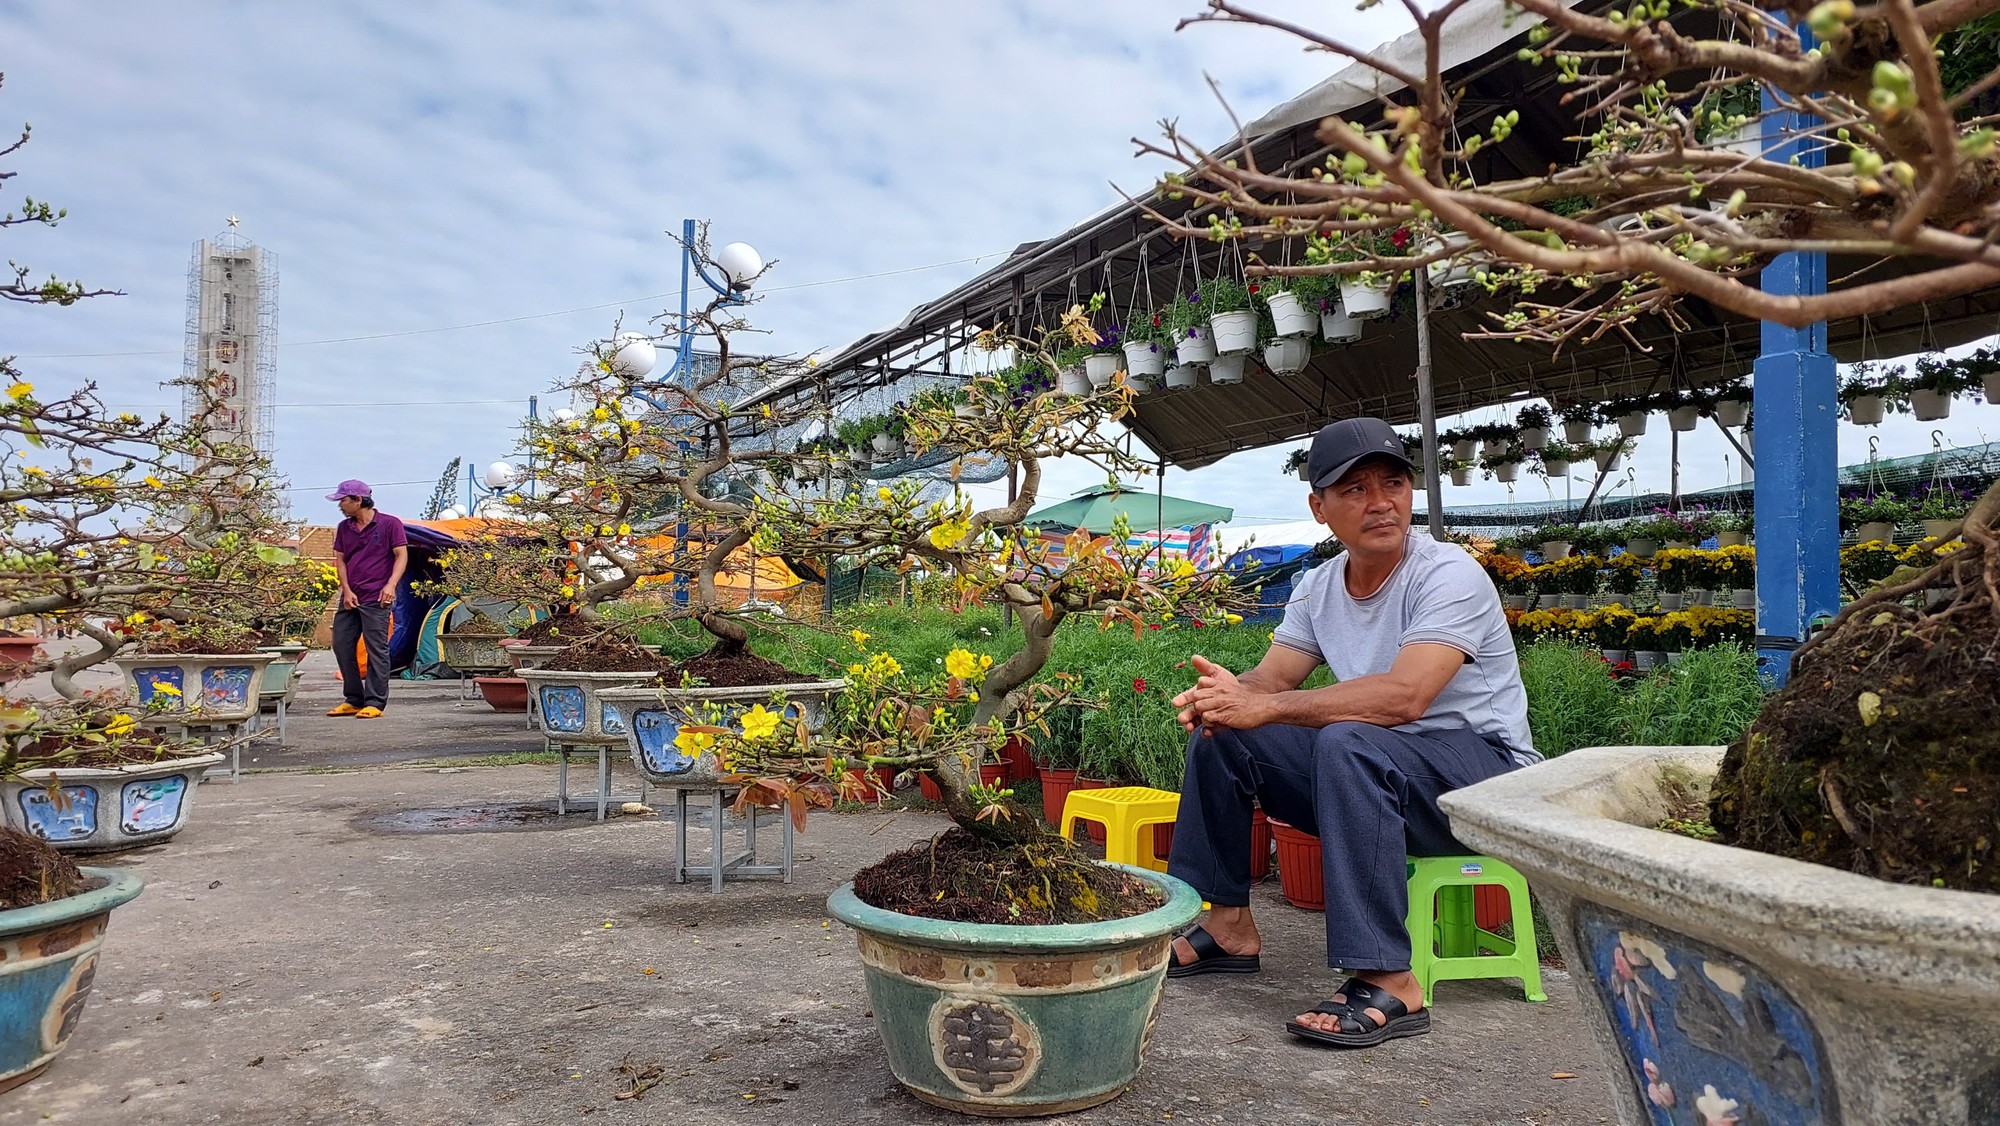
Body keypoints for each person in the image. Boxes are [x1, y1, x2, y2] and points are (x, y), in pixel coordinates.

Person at [1164, 417, 1539, 1049]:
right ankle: (1226, 925)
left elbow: (1405, 697)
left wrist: (1270, 707)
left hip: (1486, 781)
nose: (1380, 502)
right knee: (1225, 734)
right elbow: (1273, 679)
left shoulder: (1447, 573)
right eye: (1355, 489)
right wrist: (1224, 698)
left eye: (1392, 483)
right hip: (1388, 770)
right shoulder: (1318, 586)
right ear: (1320, 508)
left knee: (1348, 738)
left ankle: (1391, 978)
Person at [326, 479, 407, 719]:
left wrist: (391, 585)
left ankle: (374, 702)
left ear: (358, 500)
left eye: (343, 500)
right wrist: (347, 590)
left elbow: (401, 555)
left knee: (376, 649)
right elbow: (341, 560)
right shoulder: (344, 527)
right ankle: (353, 699)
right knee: (341, 644)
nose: (340, 504)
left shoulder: (390, 524)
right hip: (351, 597)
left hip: (378, 596)